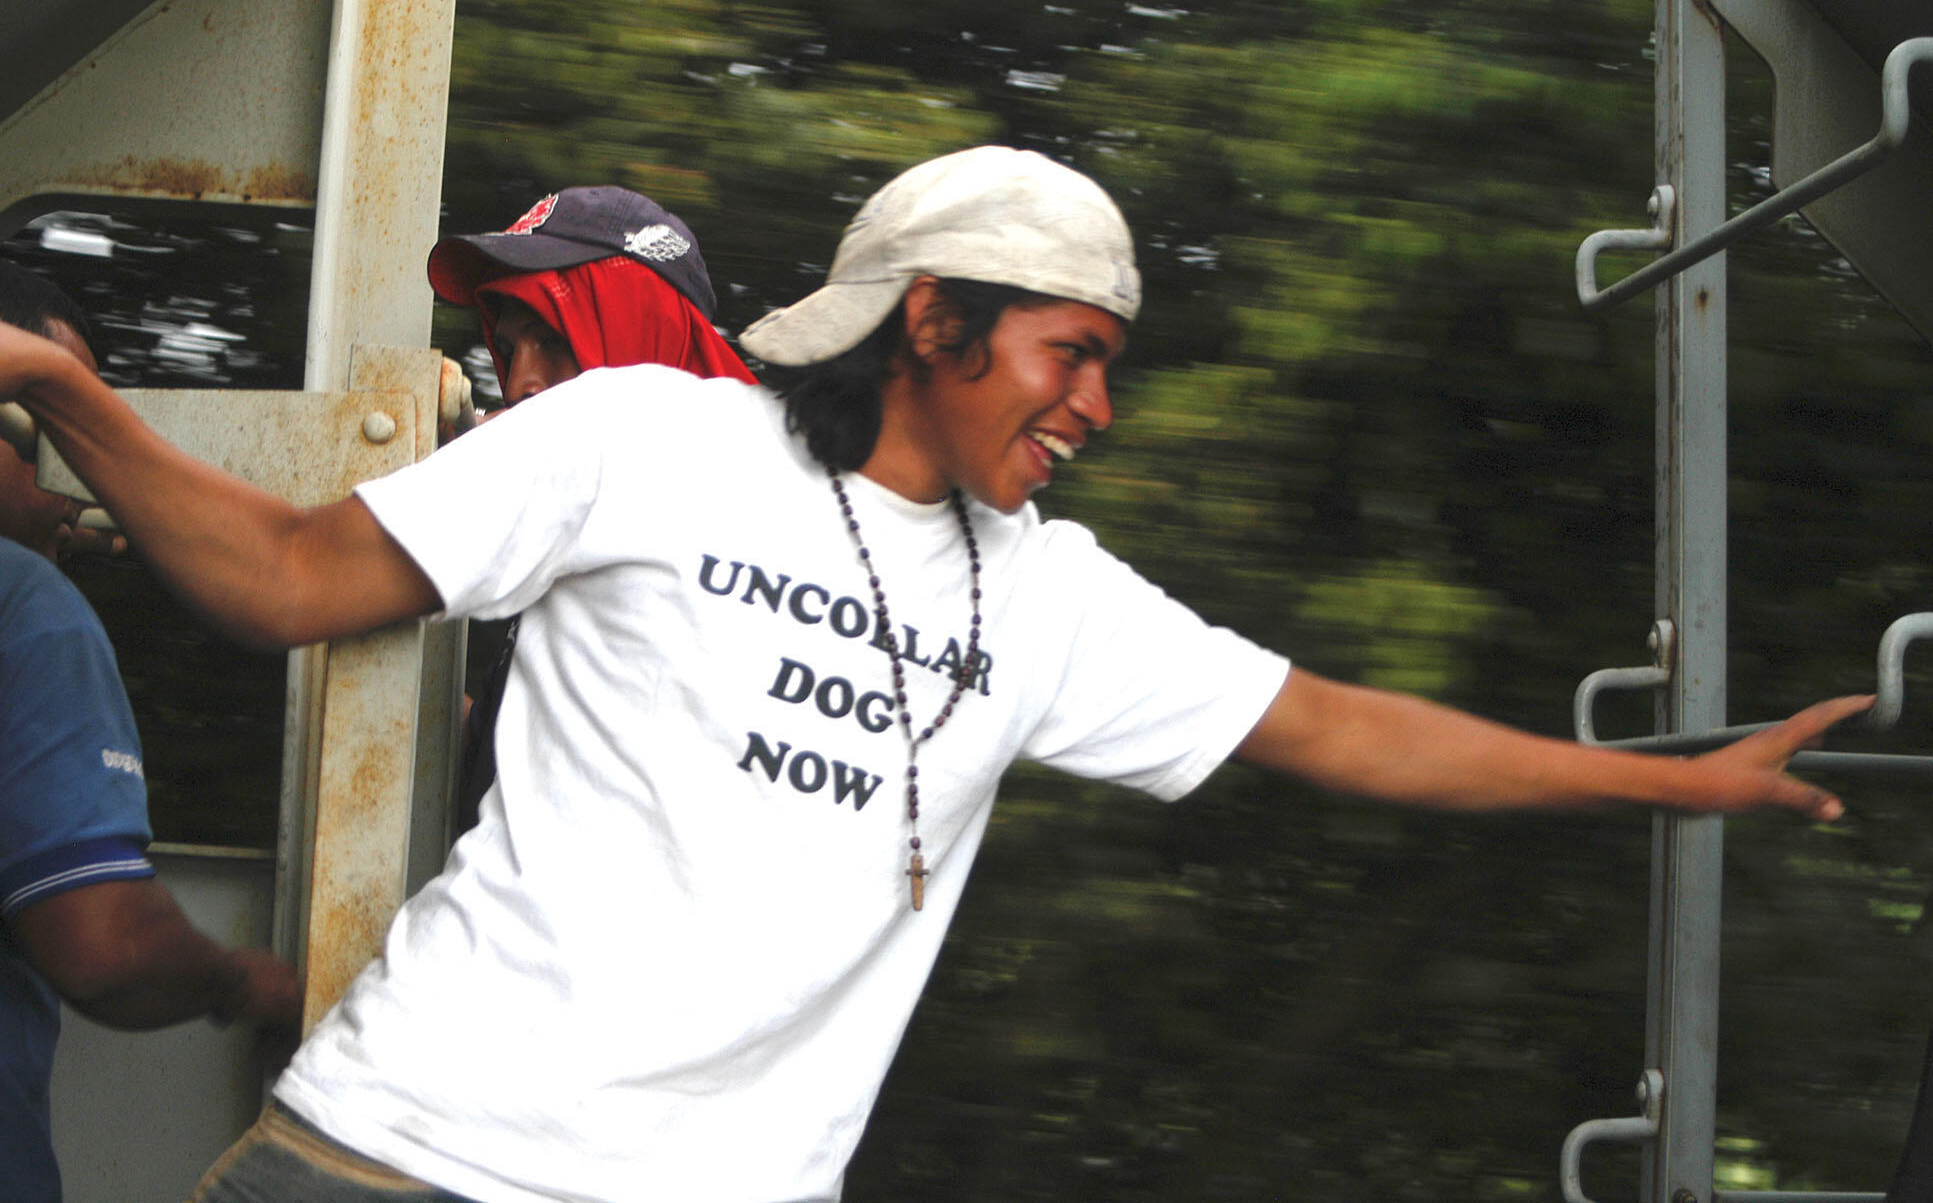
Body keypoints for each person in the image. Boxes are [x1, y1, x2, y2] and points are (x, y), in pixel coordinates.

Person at [0, 147, 1866, 1203]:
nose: (1095, 406)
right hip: (398, 1160)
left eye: (1112, 365)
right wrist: (71, 394)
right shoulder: (646, 439)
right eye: (1069, 352)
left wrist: (1667, 781)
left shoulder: (1050, 601)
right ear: (931, 316)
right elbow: (282, 580)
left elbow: (1340, 727)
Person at [0, 260, 301, 1203]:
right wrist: (239, 980)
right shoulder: (28, 609)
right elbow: (102, 944)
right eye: (58, 429)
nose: (82, 479)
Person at [426, 186, 756, 836]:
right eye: (511, 348)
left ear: (643, 334)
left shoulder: (735, 548)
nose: (519, 382)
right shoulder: (595, 542)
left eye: (555, 339)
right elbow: (536, 756)